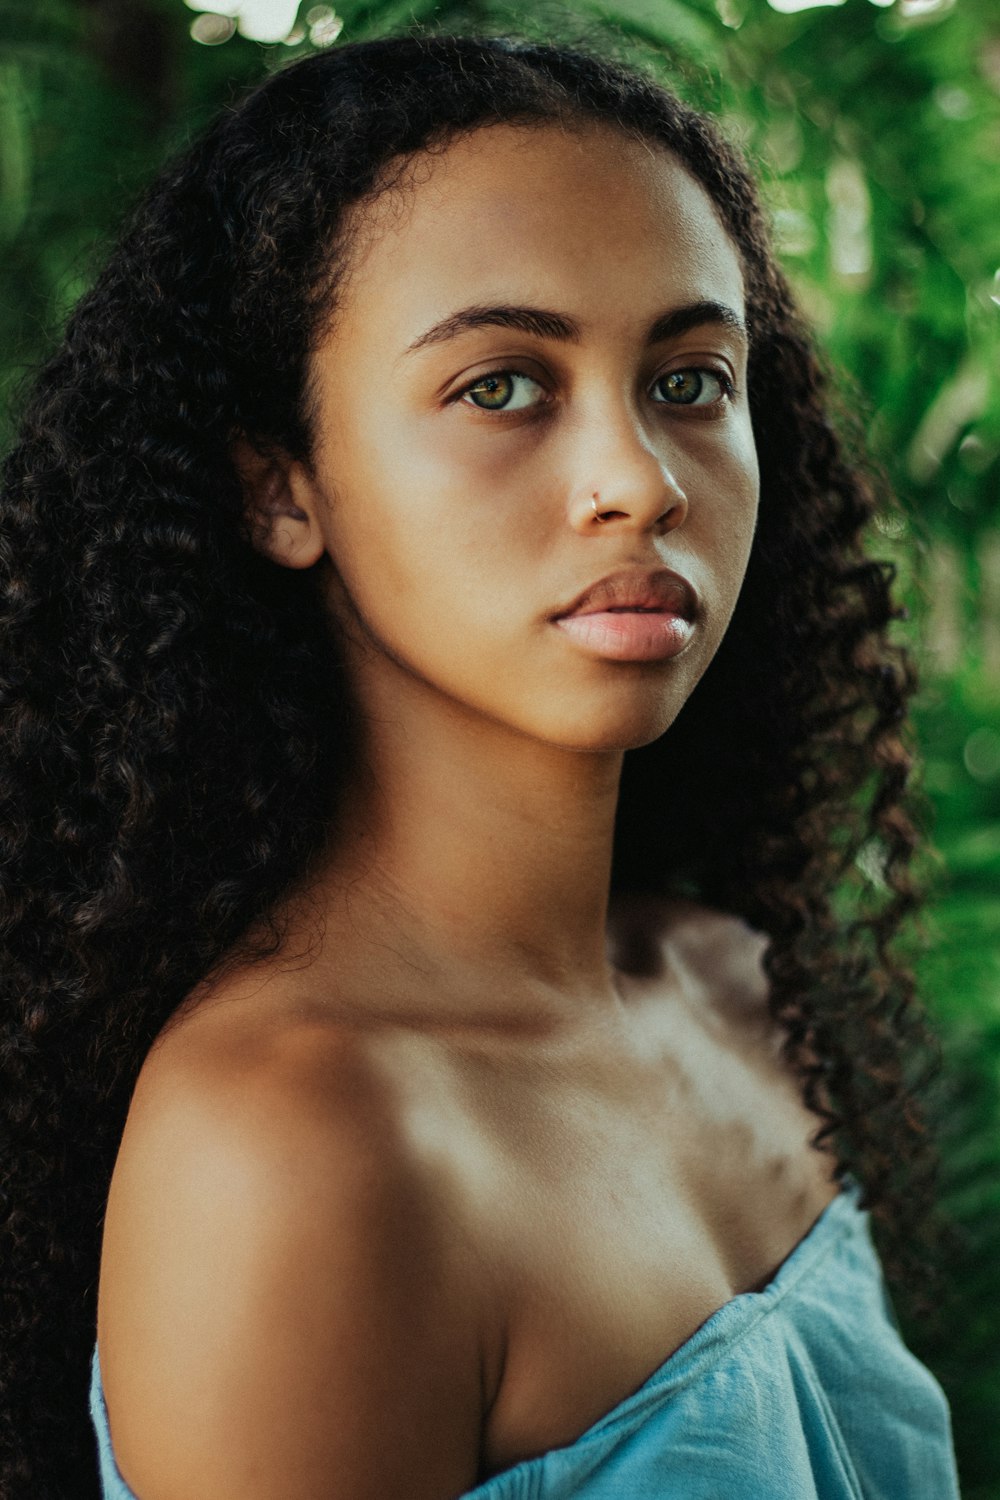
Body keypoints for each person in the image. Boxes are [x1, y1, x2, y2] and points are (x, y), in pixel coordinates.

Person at [0, 31, 960, 1500]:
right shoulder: (298, 1146)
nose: (637, 479)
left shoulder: (735, 988)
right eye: (502, 386)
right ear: (282, 484)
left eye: (691, 380)